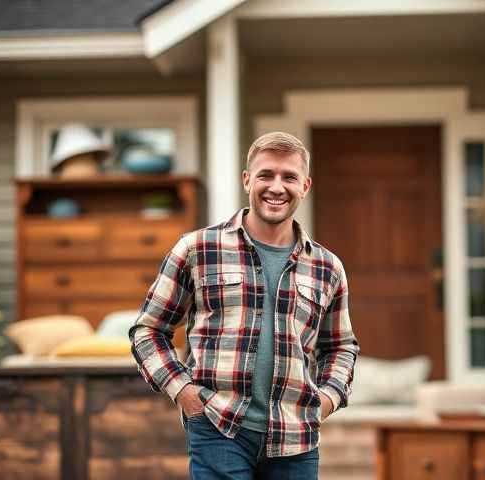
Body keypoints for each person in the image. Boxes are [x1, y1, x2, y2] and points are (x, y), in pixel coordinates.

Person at [129, 131, 359, 479]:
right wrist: (184, 392)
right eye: (266, 175)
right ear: (247, 180)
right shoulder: (197, 249)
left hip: (296, 438)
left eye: (289, 177)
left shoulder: (328, 267)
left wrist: (325, 401)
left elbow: (340, 347)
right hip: (219, 427)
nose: (276, 187)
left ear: (305, 186)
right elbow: (148, 331)